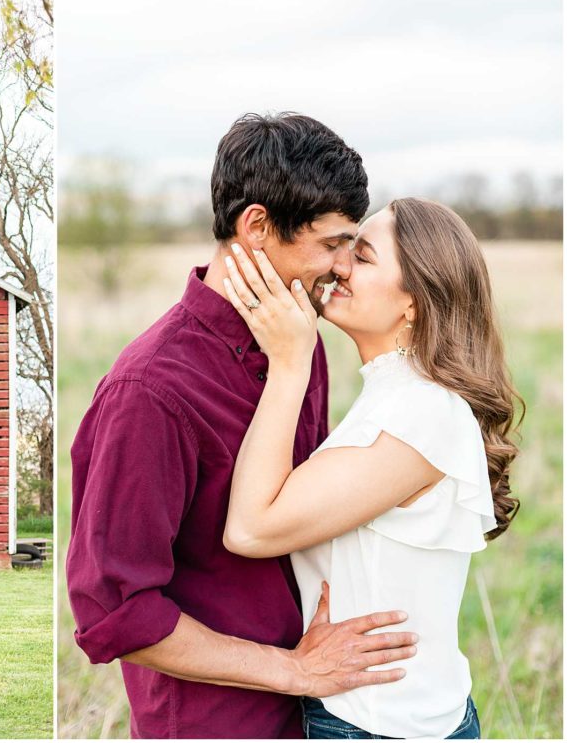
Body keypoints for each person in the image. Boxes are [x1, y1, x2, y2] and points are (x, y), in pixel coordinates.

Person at [66, 112, 417, 739]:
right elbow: (115, 610)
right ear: (256, 226)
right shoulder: (150, 390)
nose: (342, 266)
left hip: (323, 711)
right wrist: (290, 670)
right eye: (332, 243)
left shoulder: (297, 342)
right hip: (220, 722)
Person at [219, 197, 520, 738]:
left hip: (383, 725)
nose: (340, 266)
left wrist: (290, 364)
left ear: (415, 305)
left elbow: (249, 529)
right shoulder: (393, 396)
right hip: (371, 715)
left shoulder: (423, 413)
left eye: (363, 257)